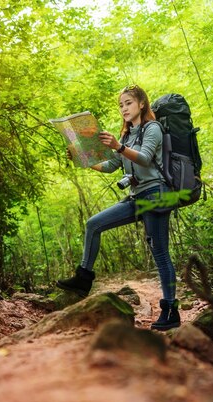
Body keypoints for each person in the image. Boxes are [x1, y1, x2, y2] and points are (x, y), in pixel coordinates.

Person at [56, 85, 180, 331]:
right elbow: (112, 166)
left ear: (142, 104)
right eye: (121, 105)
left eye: (128, 103)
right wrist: (83, 159)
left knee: (160, 253)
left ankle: (171, 310)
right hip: (136, 197)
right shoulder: (126, 134)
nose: (124, 108)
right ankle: (83, 279)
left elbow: (144, 158)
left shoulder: (152, 128)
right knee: (94, 224)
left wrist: (117, 145)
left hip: (155, 195)